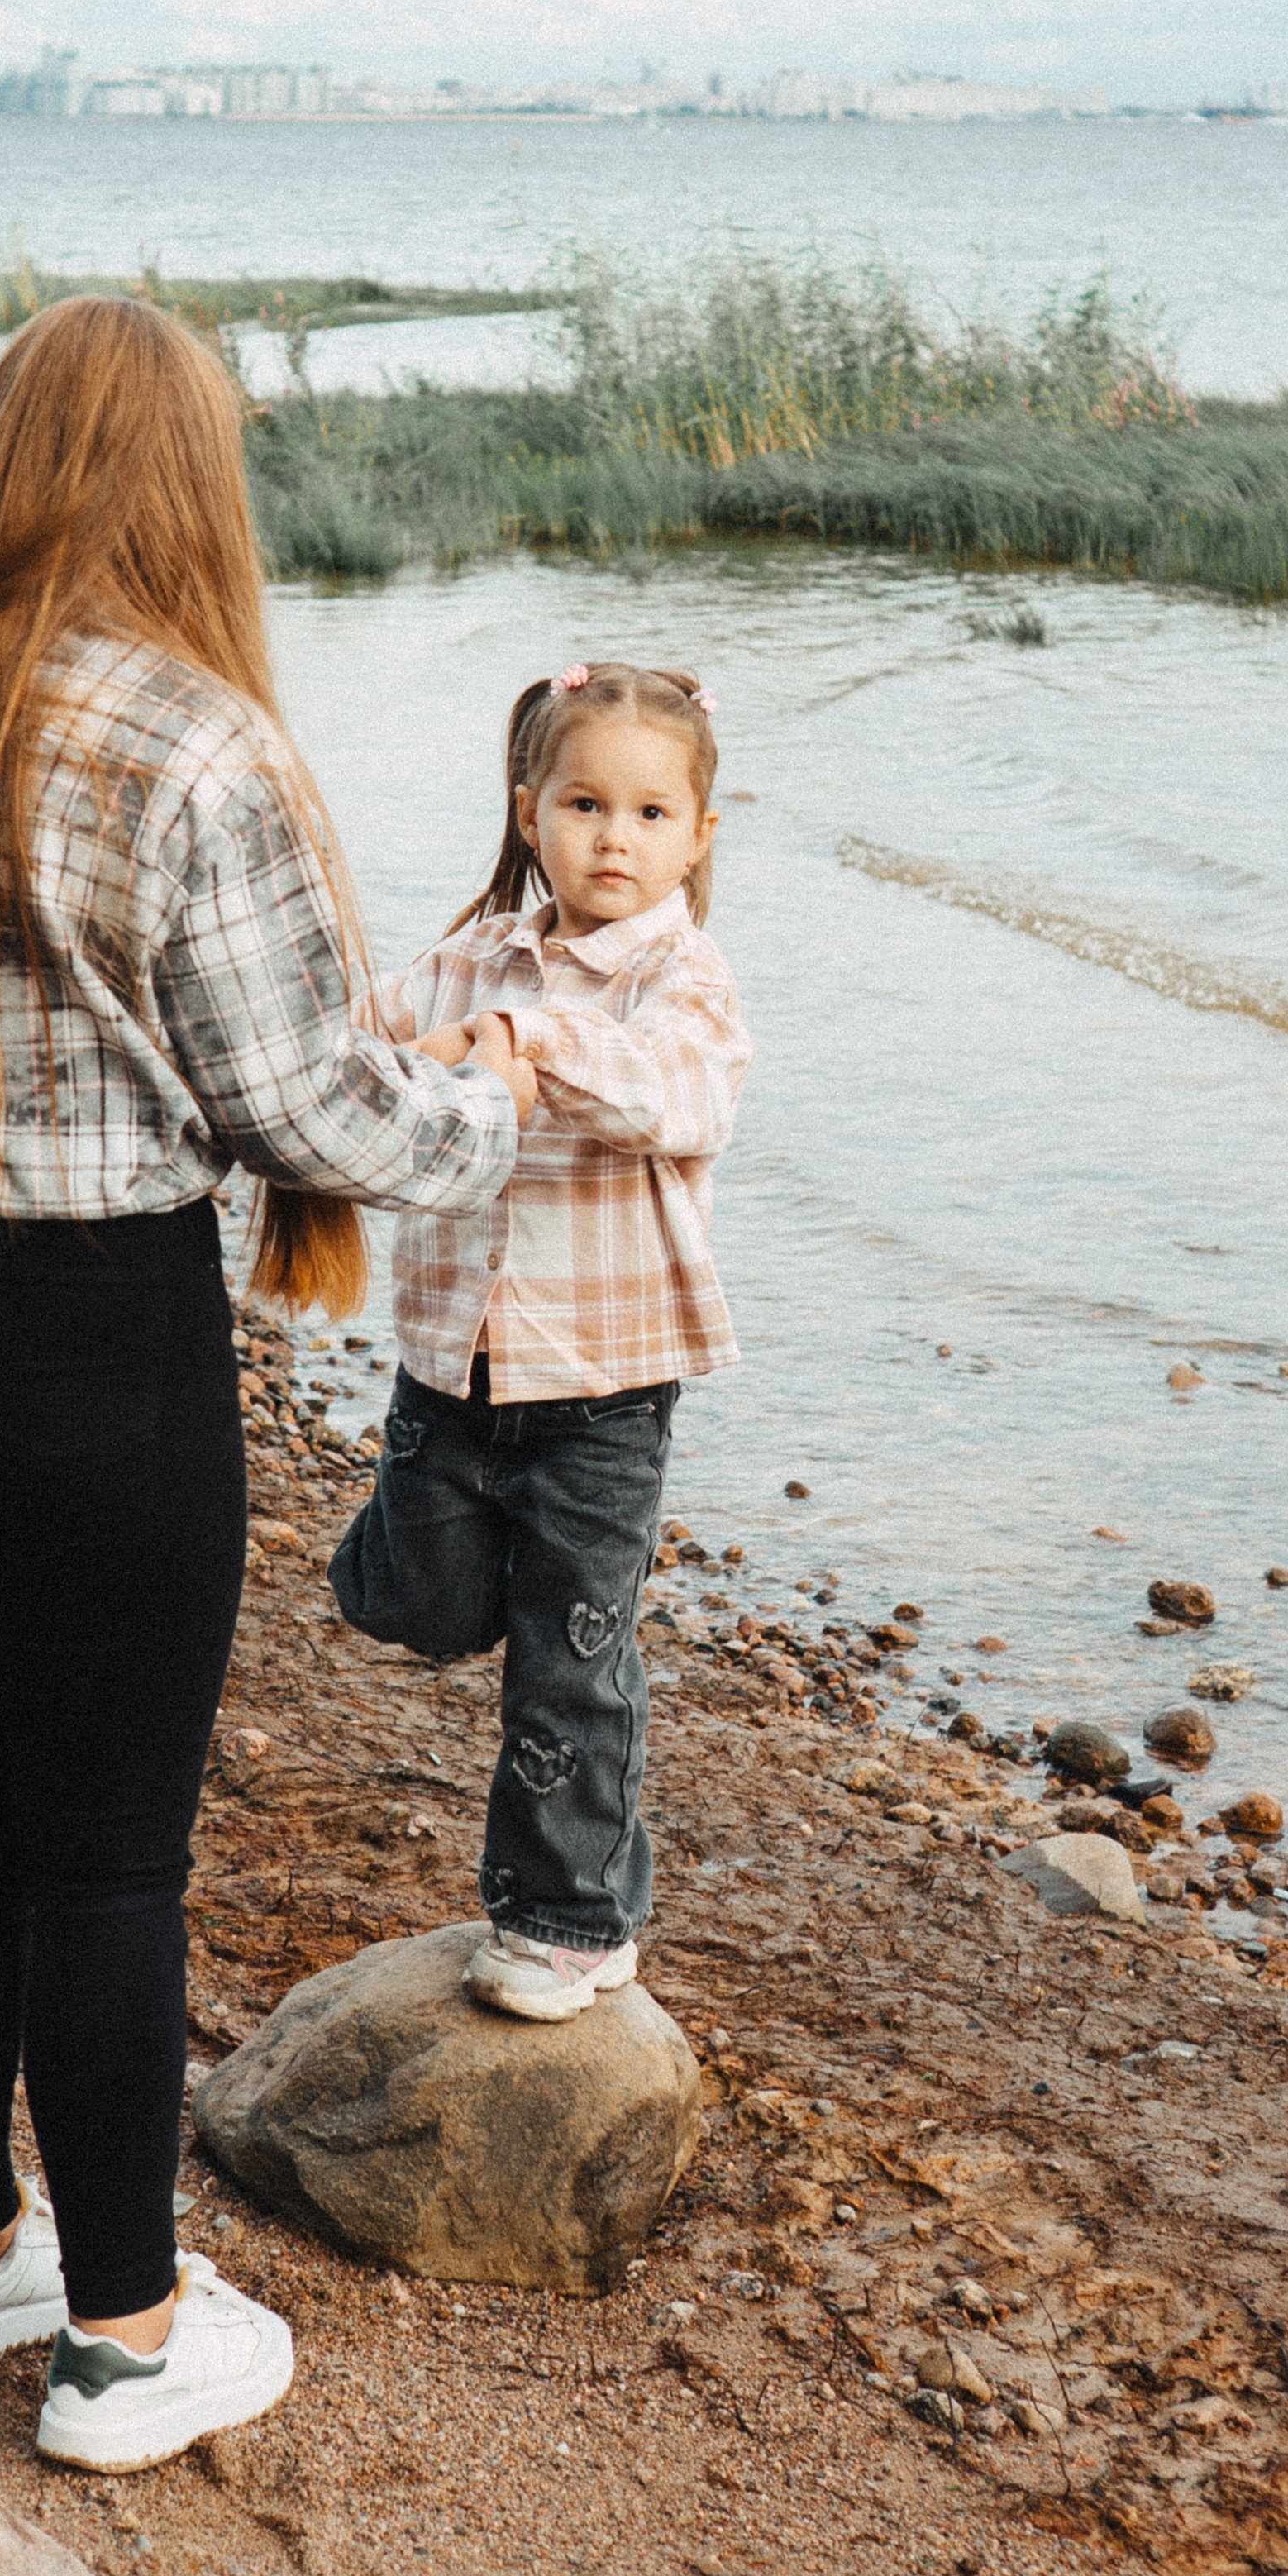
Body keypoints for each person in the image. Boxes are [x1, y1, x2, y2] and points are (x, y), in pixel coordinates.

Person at [0, 296, 532, 2473]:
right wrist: (497, 1100)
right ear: (184, 479)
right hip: (80, 1346)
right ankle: (118, 2338)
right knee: (103, 1855)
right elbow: (314, 1114)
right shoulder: (188, 737)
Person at [329, 660, 751, 2020]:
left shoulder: (682, 982)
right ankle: (396, 1556)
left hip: (603, 1390)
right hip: (451, 1369)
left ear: (696, 834)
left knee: (569, 1665)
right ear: (530, 813)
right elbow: (360, 1047)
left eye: (646, 813)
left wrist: (524, 1043)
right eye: (583, 804)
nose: (612, 838)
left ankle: (569, 1923)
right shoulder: (468, 956)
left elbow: (679, 1097)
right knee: (426, 1606)